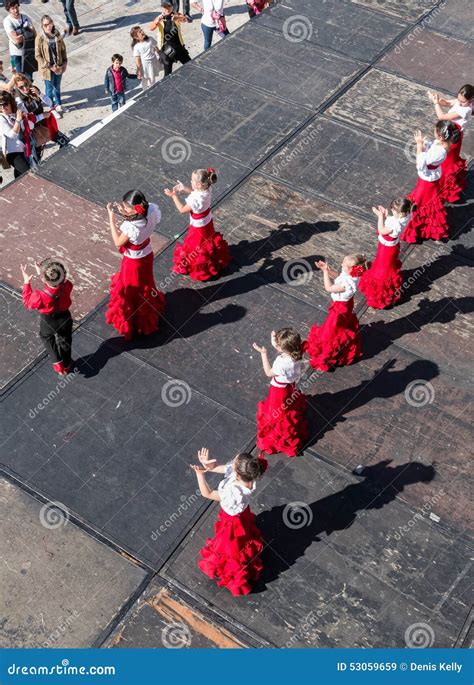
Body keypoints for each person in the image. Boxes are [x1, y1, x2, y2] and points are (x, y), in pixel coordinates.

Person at [191, 447, 266, 596]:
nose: (233, 460)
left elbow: (209, 493)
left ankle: (234, 574)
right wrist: (209, 466)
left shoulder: (233, 494)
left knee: (230, 548)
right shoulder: (249, 475)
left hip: (231, 524)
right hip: (243, 515)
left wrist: (200, 474)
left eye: (235, 461)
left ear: (237, 475)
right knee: (245, 536)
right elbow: (227, 468)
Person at [105, 190, 165, 340]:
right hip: (146, 255)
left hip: (133, 262)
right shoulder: (151, 209)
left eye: (126, 207)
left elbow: (118, 242)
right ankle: (147, 308)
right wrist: (125, 212)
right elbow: (137, 217)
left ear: (134, 209)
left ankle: (134, 320)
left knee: (131, 290)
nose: (123, 209)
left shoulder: (131, 226)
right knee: (146, 283)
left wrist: (111, 219)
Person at [164, 167, 231, 281]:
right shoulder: (207, 189)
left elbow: (182, 209)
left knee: (196, 245)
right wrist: (185, 188)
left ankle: (201, 268)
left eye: (192, 181)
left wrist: (173, 195)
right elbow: (195, 193)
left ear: (199, 184)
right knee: (207, 240)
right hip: (207, 222)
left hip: (198, 227)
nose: (191, 182)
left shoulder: (195, 200)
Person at [305, 255, 368, 371]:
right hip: (345, 305)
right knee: (339, 329)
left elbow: (328, 288)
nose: (341, 265)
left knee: (331, 330)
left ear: (350, 269)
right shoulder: (353, 275)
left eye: (343, 264)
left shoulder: (347, 285)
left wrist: (324, 272)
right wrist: (328, 270)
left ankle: (327, 353)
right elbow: (339, 277)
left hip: (339, 310)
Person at [253, 328, 308, 458]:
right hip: (289, 386)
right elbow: (284, 349)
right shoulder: (297, 352)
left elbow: (268, 373)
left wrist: (263, 353)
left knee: (276, 412)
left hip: (279, 391)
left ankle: (278, 433)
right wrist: (275, 342)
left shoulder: (281, 363)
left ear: (281, 348)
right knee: (288, 406)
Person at [401, 122, 457, 243]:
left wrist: (419, 145)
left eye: (435, 131)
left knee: (421, 203)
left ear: (441, 136)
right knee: (426, 201)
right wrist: (426, 144)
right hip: (429, 178)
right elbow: (431, 149)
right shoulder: (442, 144)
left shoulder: (440, 152)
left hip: (427, 182)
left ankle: (420, 228)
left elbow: (420, 164)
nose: (433, 132)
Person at [21, 258, 73, 375]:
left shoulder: (39, 295)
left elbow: (27, 303)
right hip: (65, 318)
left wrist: (26, 282)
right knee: (65, 340)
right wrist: (44, 274)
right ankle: (67, 364)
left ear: (44, 278)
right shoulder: (68, 285)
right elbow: (58, 284)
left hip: (48, 320)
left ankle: (58, 364)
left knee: (47, 338)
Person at [359, 199, 414, 310]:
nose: (391, 211)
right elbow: (392, 220)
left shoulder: (397, 225)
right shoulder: (405, 217)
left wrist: (380, 217)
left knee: (382, 269)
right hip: (391, 246)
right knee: (384, 266)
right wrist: (386, 215)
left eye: (393, 210)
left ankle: (381, 294)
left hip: (387, 250)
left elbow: (382, 230)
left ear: (401, 213)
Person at [428, 85, 473, 203]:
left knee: (447, 162)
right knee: (445, 161)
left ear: (471, 100)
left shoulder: (466, 109)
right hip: (450, 134)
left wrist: (435, 104)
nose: (459, 102)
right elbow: (448, 103)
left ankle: (443, 187)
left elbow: (442, 117)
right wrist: (438, 100)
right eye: (459, 99)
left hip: (453, 138)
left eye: (463, 101)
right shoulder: (461, 103)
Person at [10, 74, 69, 161]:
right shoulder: (18, 100)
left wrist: (39, 93)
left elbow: (50, 103)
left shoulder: (33, 90)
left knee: (65, 142)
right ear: (17, 87)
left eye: (26, 84)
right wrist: (42, 115)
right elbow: (28, 120)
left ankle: (61, 160)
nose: (25, 88)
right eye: (21, 87)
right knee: (35, 159)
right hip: (32, 130)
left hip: (44, 124)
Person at [35, 15, 67, 119]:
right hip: (47, 70)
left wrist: (65, 62)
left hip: (59, 66)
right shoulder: (40, 38)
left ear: (52, 23)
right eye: (45, 25)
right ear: (42, 26)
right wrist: (49, 66)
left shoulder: (56, 34)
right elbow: (37, 55)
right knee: (49, 90)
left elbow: (63, 49)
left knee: (57, 86)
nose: (48, 26)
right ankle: (52, 108)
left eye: (50, 23)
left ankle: (59, 104)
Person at [150, 3, 191, 77]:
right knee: (167, 74)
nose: (166, 9)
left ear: (172, 7)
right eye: (164, 7)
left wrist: (177, 18)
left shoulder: (177, 14)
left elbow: (185, 20)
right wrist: (157, 21)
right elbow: (151, 28)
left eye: (169, 6)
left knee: (191, 65)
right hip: (166, 50)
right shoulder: (160, 18)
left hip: (179, 46)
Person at [3, 0, 36, 81]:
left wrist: (22, 36)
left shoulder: (25, 17)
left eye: (16, 7)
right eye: (12, 8)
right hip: (15, 54)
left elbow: (34, 34)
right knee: (19, 78)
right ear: (9, 10)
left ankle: (30, 93)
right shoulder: (7, 21)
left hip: (28, 52)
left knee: (29, 78)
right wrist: (27, 34)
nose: (16, 10)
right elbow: (17, 40)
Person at [0, 90, 30, 178]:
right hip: (12, 152)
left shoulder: (15, 113)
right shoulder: (1, 118)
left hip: (24, 148)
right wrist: (18, 120)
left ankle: (17, 188)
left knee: (20, 173)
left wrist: (25, 118)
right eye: (0, 105)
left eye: (5, 104)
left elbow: (30, 125)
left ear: (10, 103)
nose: (2, 107)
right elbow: (12, 135)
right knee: (27, 172)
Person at [130, 26, 161, 91]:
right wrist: (138, 69)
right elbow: (137, 58)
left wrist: (160, 56)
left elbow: (156, 48)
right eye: (140, 32)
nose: (142, 32)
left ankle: (152, 91)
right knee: (144, 79)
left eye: (142, 30)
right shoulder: (137, 47)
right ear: (136, 37)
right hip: (144, 65)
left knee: (152, 78)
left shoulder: (150, 39)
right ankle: (144, 91)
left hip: (153, 62)